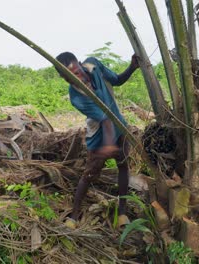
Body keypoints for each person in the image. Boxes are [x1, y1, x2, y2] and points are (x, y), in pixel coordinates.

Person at [55, 51, 140, 228]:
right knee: (90, 174)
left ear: (79, 63)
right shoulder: (76, 96)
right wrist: (107, 145)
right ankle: (74, 216)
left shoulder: (94, 64)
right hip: (100, 136)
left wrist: (132, 67)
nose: (73, 79)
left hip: (120, 127)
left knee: (123, 166)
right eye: (67, 78)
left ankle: (122, 214)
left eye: (75, 72)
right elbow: (104, 118)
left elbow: (117, 80)